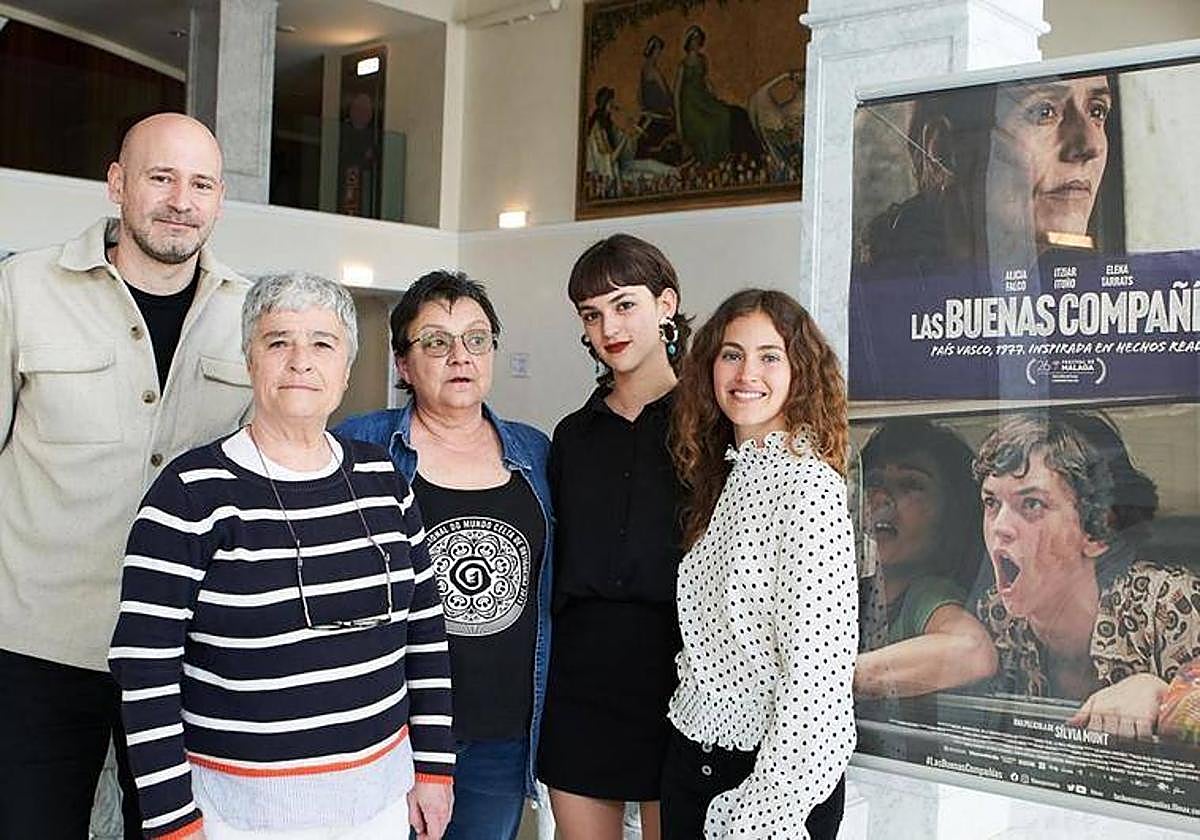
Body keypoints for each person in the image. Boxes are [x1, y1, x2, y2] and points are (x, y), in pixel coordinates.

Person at [109, 273, 455, 839]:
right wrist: (171, 819)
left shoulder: (383, 478)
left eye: (323, 343)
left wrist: (435, 765)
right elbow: (144, 667)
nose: (300, 361)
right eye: (278, 342)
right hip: (238, 815)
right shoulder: (190, 492)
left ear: (346, 370)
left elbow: (424, 628)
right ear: (250, 362)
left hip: (380, 805)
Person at [0, 112, 253, 839]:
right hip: (39, 653)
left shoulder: (249, 314)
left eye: (200, 183)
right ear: (117, 184)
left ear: (219, 200)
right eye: (161, 177)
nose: (181, 199)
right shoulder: (23, 288)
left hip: (190, 653)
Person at [335, 270, 553, 840]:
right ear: (404, 365)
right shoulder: (361, 445)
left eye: (476, 339)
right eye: (436, 341)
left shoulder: (535, 452)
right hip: (387, 728)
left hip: (500, 733)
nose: (460, 356)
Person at [665, 289, 857, 839]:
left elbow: (817, 678)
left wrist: (762, 809)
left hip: (769, 783)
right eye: (732, 354)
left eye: (770, 356)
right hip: (692, 754)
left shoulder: (807, 486)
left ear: (800, 371)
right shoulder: (727, 475)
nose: (748, 372)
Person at [538, 234, 692, 840]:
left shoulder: (709, 427)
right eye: (591, 314)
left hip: (681, 674)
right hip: (582, 674)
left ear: (666, 304)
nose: (609, 327)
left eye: (624, 305)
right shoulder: (572, 436)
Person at [974, 410, 1200, 740]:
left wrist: (1159, 691)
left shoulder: (1165, 603)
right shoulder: (996, 618)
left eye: (1032, 504)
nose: (1000, 527)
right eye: (991, 503)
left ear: (1098, 531)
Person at [862, 75, 1114, 268]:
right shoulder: (882, 302)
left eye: (1097, 111)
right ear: (942, 150)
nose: (1090, 145)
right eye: (1044, 111)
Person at [854, 418, 998, 698]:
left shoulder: (927, 595)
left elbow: (973, 651)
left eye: (909, 485)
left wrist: (836, 677)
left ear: (952, 512)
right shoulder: (859, 593)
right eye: (873, 482)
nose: (881, 497)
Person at [673, 25, 762, 168]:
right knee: (708, 128)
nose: (695, 43)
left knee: (724, 115)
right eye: (693, 40)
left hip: (704, 99)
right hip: (690, 106)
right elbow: (677, 92)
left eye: (698, 40)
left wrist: (714, 94)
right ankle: (710, 162)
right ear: (688, 43)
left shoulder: (703, 60)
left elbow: (706, 79)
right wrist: (678, 118)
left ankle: (724, 156)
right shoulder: (682, 65)